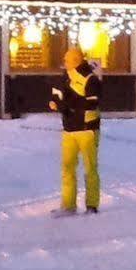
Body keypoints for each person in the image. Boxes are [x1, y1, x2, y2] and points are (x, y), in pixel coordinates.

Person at [48, 46, 102, 214]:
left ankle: (92, 205)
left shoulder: (90, 78)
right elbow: (56, 96)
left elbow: (92, 102)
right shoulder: (64, 78)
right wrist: (56, 104)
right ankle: (68, 205)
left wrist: (67, 105)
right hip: (69, 129)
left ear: (76, 60)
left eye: (67, 59)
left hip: (87, 129)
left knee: (89, 168)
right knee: (67, 168)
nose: (64, 62)